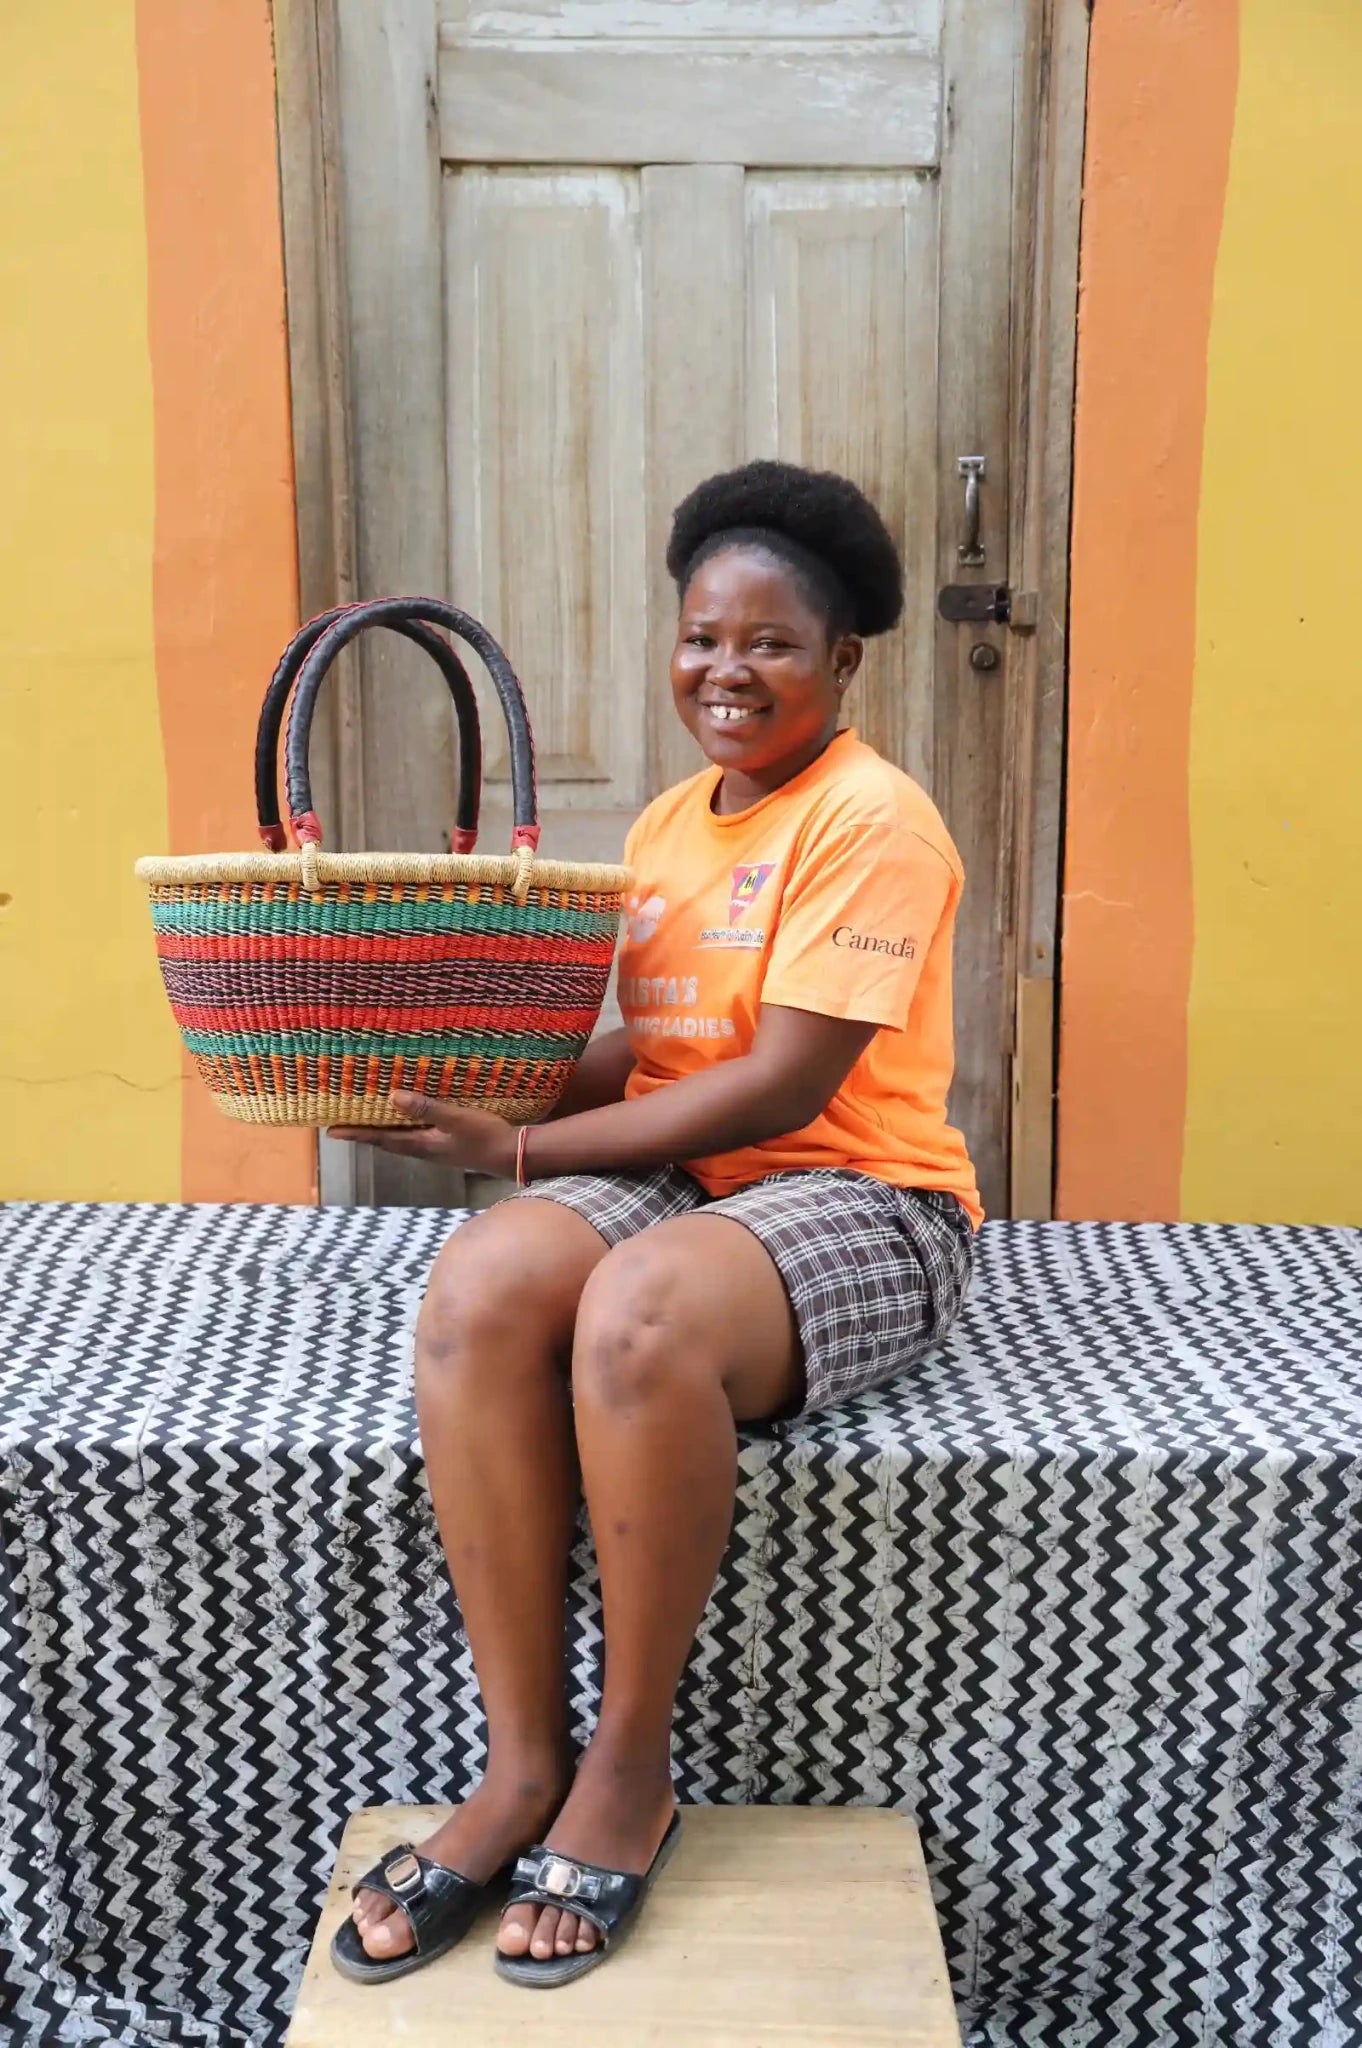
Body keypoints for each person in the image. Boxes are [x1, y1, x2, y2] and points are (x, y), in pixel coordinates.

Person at [328, 460, 980, 1990]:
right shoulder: (673, 825)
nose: (723, 670)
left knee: (635, 1317)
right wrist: (457, 1082)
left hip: (863, 1194)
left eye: (768, 643)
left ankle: (627, 1767)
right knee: (485, 1279)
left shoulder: (872, 821)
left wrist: (520, 1143)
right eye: (700, 637)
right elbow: (663, 1051)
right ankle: (519, 1765)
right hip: (700, 1173)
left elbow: (779, 1082)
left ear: (841, 660)